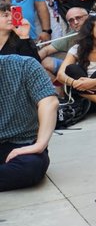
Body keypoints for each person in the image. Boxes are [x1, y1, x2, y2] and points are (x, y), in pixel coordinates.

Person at [0, 53, 58, 192]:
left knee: (31, 166)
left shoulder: (25, 65)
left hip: (22, 143)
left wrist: (39, 145)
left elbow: (49, 102)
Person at [57, 16, 96, 107]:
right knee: (72, 68)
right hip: (83, 100)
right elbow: (60, 75)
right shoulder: (78, 48)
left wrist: (93, 83)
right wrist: (75, 83)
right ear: (91, 30)